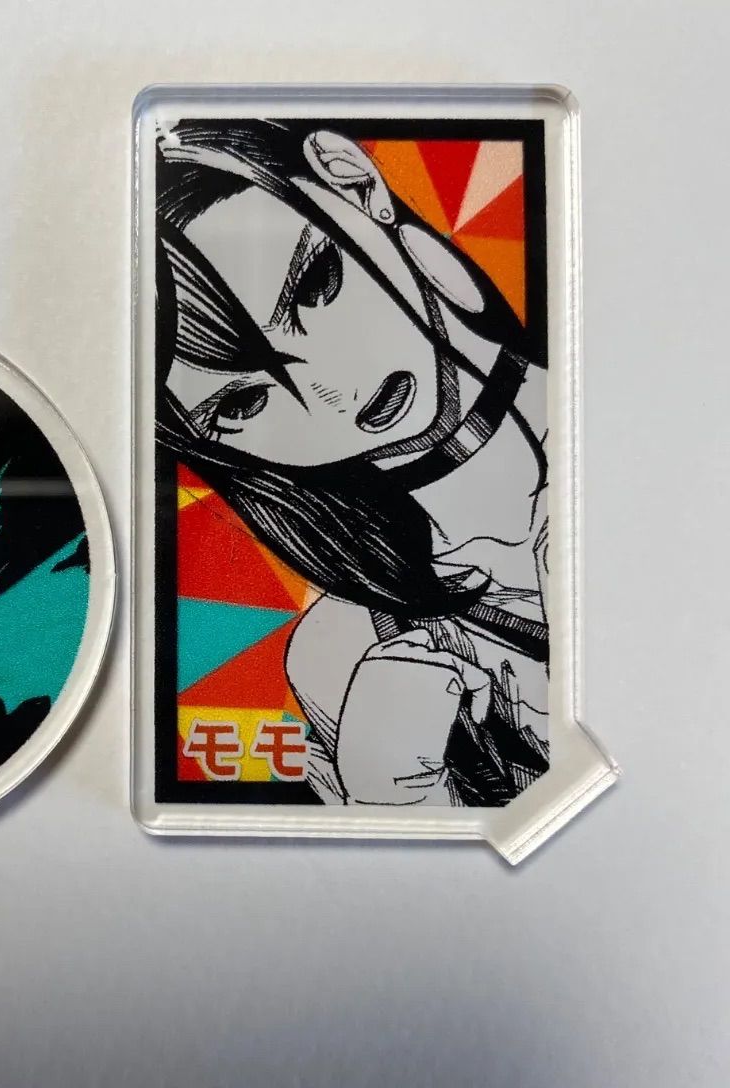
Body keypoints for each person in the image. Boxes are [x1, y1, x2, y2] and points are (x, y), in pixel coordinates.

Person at [156, 119, 549, 807]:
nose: (332, 392)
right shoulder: (341, 653)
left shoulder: (644, 424)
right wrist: (396, 801)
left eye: (316, 282)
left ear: (354, 182)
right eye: (242, 402)